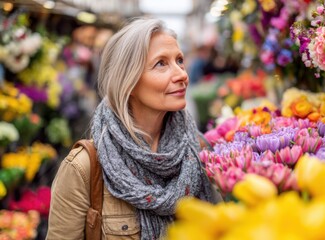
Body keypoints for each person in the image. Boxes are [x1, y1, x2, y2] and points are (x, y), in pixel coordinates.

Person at [46, 17, 222, 240]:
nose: (182, 75)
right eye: (161, 63)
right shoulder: (84, 168)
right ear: (128, 80)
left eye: (179, 60)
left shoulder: (199, 150)